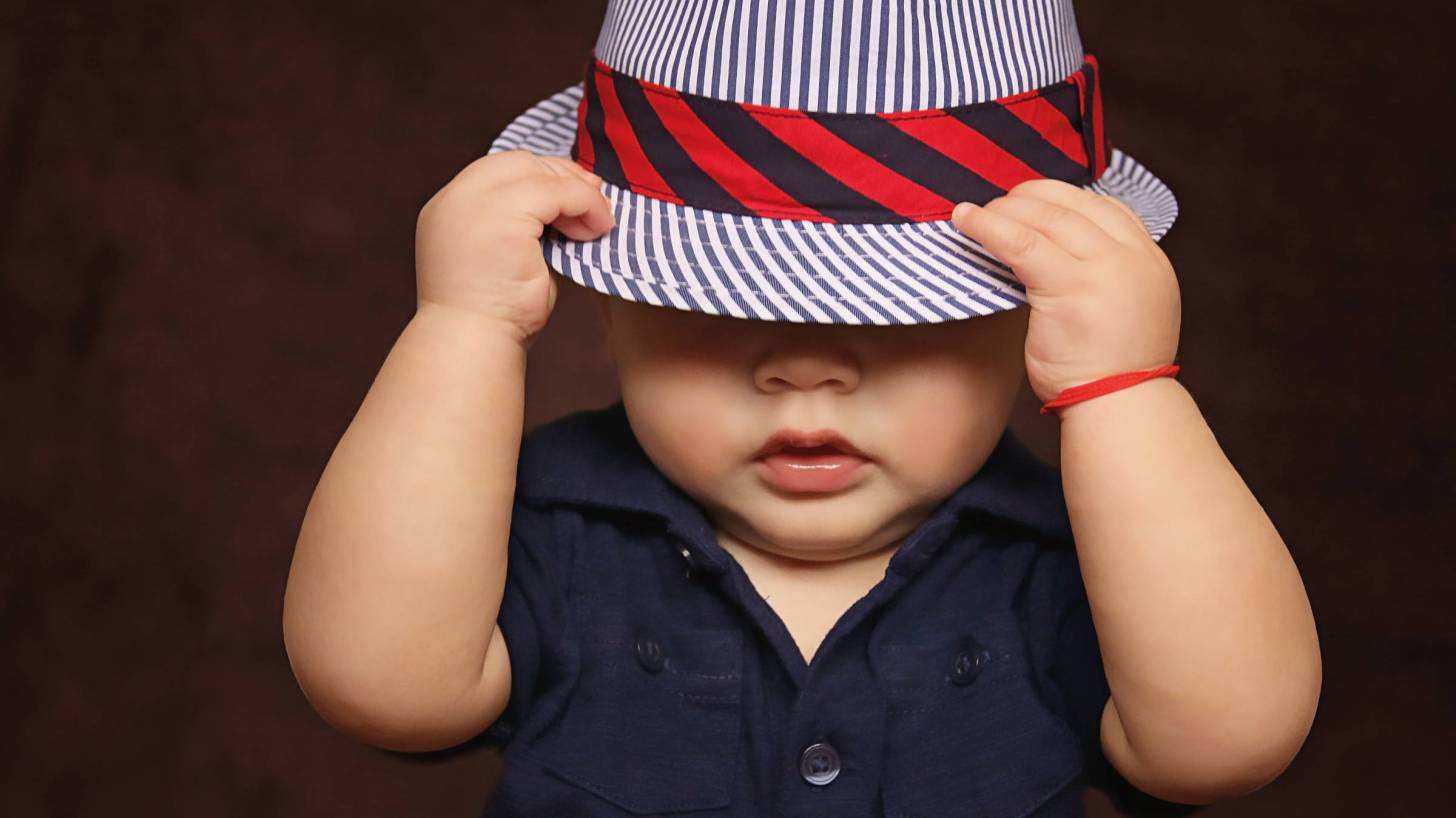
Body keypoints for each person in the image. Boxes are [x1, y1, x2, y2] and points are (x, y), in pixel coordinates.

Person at [282, 1, 1322, 816]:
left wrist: (1126, 391)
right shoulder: (553, 538)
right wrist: (459, 330)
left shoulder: (1079, 563)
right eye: (721, 305)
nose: (806, 366)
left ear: (1026, 326)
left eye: (908, 318)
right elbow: (380, 683)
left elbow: (1226, 742)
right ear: (610, 307)